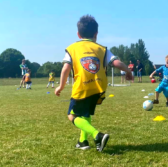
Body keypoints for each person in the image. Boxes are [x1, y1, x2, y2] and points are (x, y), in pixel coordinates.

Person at [55, 15, 132, 152]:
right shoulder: (102, 49)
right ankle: (82, 141)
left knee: (71, 115)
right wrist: (128, 71)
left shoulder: (72, 48)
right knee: (85, 114)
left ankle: (97, 135)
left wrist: (60, 86)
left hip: (82, 87)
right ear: (96, 34)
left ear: (78, 34)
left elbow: (66, 68)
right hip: (98, 87)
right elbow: (116, 62)